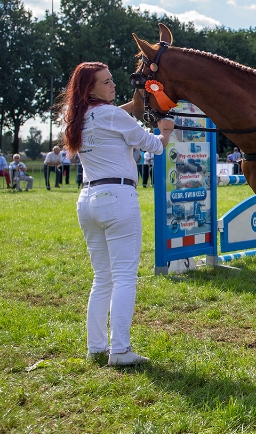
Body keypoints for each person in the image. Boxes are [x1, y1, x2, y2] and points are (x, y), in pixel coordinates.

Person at [61, 62, 175, 367]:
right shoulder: (111, 116)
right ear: (91, 89)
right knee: (125, 276)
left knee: (103, 278)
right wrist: (164, 132)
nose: (113, 85)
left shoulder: (75, 117)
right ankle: (120, 349)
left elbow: (117, 114)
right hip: (118, 198)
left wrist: (134, 106)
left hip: (88, 199)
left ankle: (96, 346)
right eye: (107, 82)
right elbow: (153, 146)